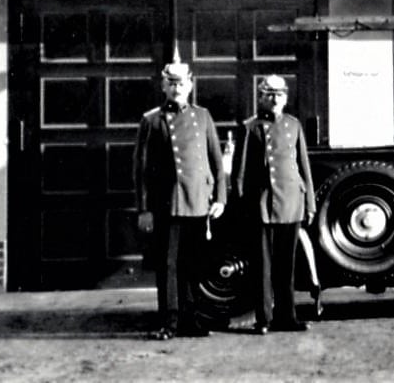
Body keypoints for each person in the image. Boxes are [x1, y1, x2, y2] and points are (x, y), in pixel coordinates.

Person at [134, 56, 226, 340]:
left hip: (198, 202)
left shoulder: (203, 116)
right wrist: (144, 210)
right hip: (168, 205)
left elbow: (216, 162)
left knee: (193, 265)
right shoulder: (152, 121)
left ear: (190, 85)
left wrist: (219, 198)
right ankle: (170, 322)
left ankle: (191, 320)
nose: (177, 88)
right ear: (164, 85)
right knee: (169, 266)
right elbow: (141, 170)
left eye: (181, 83)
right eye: (171, 83)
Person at [234, 74, 317, 334]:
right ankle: (264, 319)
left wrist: (310, 203)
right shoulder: (249, 127)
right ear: (260, 97)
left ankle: (287, 317)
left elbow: (303, 166)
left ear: (286, 97)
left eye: (279, 93)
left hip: (291, 200)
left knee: (286, 266)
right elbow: (240, 172)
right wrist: (242, 206)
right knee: (263, 267)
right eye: (269, 93)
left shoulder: (294, 125)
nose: (275, 98)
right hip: (262, 204)